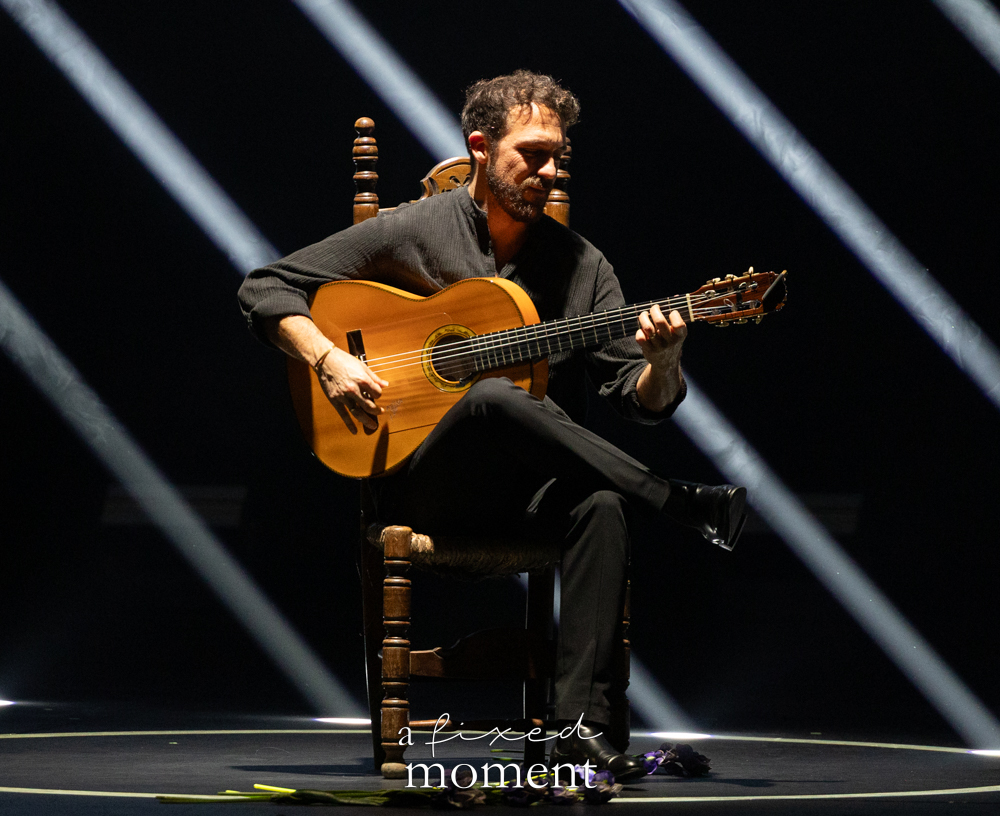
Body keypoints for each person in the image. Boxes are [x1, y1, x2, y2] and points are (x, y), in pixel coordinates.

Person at [238, 71, 746, 781]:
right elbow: (264, 286)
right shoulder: (415, 228)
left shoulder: (582, 266)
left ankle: (582, 731)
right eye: (531, 154)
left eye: (558, 157)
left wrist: (664, 363)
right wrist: (327, 358)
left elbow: (637, 398)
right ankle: (677, 500)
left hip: (527, 493)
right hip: (424, 485)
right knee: (490, 399)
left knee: (603, 507)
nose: (548, 171)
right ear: (480, 147)